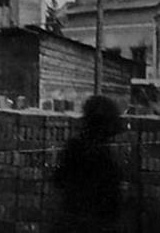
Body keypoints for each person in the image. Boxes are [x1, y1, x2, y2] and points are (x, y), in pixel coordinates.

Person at [53, 95, 125, 232]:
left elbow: (59, 180)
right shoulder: (102, 153)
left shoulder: (75, 146)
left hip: (74, 217)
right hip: (93, 221)